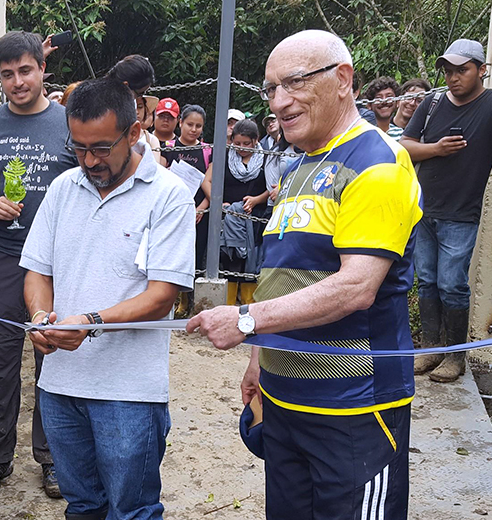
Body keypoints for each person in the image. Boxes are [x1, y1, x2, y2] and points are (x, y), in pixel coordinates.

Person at [190, 30, 421, 520]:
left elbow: (357, 286)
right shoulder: (296, 168)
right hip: (283, 397)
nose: (278, 101)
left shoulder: (376, 162)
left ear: (342, 79)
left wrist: (247, 321)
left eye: (292, 82)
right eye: (270, 89)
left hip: (354, 405)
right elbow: (279, 272)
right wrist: (259, 360)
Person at [21, 77, 195, 519]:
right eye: (78, 148)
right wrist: (42, 315)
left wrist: (91, 321)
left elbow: (161, 296)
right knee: (82, 506)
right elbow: (37, 271)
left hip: (129, 392)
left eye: (101, 148)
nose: (88, 161)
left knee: (131, 510)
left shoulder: (169, 195)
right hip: (60, 386)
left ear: (134, 132)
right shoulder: (64, 188)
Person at [0, 30, 76, 500]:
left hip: (60, 264)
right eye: (7, 75)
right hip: (4, 258)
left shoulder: (70, 123)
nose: (17, 81)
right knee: (2, 363)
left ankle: (51, 459)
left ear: (42, 69)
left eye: (25, 71)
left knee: (49, 359)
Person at [400, 39, 492, 382]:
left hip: (462, 213)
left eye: (462, 70)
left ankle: (455, 357)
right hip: (425, 208)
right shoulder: (431, 103)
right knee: (426, 280)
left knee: (451, 284)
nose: (453, 77)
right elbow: (406, 147)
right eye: (448, 71)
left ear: (481, 70)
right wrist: (436, 150)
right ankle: (431, 350)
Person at [221, 119, 268, 305]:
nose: (241, 148)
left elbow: (275, 185)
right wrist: (219, 202)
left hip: (255, 217)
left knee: (252, 260)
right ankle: (229, 305)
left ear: (256, 140)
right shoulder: (224, 156)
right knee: (230, 259)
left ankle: (249, 305)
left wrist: (257, 200)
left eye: (246, 144)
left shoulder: (267, 157)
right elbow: (209, 181)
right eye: (237, 143)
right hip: (228, 219)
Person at [161, 104, 212, 272]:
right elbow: (159, 177)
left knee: (196, 255)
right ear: (181, 122)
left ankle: (191, 298)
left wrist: (201, 209)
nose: (194, 129)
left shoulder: (207, 151)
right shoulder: (167, 147)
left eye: (198, 126)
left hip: (199, 213)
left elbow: (213, 186)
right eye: (190, 124)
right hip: (171, 209)